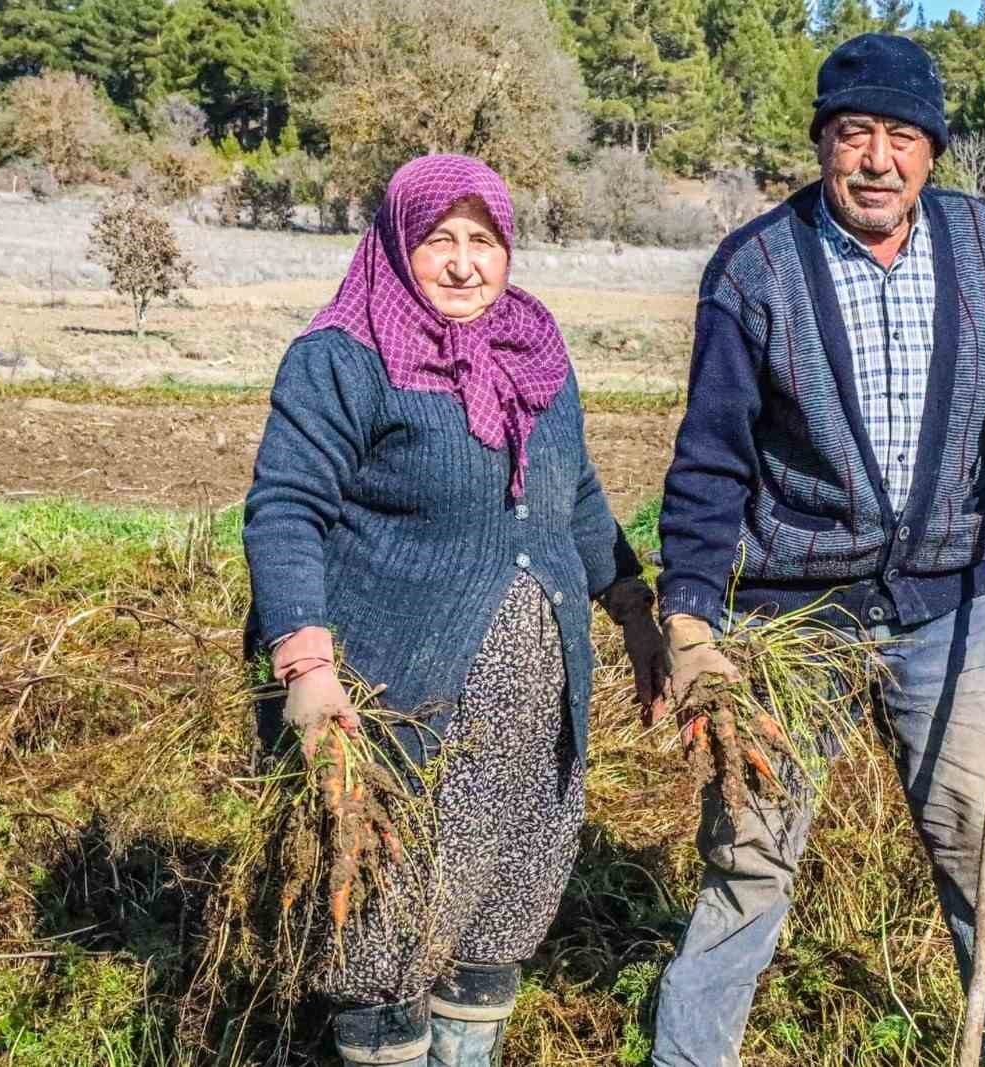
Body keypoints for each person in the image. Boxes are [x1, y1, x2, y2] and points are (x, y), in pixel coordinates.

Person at [651, 34, 985, 1066]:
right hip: (792, 621)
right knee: (748, 861)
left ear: (931, 153)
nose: (878, 160)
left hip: (948, 611)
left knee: (982, 851)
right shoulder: (754, 269)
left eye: (902, 137)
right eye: (856, 135)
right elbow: (710, 462)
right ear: (822, 145)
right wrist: (687, 620)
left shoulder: (977, 241)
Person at [242, 154, 666, 1067]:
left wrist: (633, 608)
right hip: (401, 717)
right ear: (400, 244)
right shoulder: (342, 358)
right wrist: (307, 674)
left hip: (530, 727)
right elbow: (285, 507)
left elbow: (576, 493)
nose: (466, 263)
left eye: (485, 241)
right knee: (382, 934)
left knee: (494, 926)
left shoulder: (535, 345)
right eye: (440, 240)